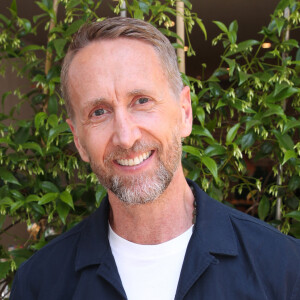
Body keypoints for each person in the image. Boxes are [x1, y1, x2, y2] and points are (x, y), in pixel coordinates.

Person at [10, 17, 300, 300]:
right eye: (99, 111)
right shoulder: (39, 284)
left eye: (142, 101)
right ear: (78, 141)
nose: (126, 137)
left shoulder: (283, 268)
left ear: (185, 113)